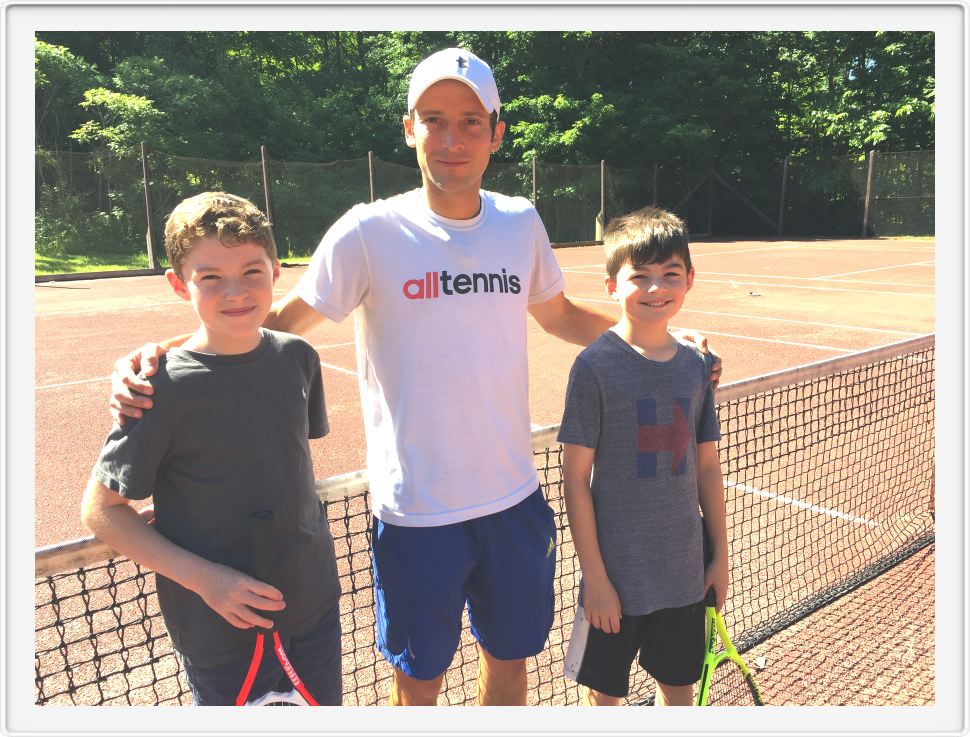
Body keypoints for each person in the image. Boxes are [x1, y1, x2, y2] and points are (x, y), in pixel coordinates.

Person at [108, 49, 721, 706]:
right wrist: (165, 354)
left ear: (496, 132)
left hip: (513, 504)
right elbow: (272, 321)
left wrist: (655, 336)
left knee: (510, 668)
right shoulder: (369, 232)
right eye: (434, 120)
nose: (452, 139)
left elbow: (561, 315)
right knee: (417, 685)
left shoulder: (519, 223)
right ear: (409, 128)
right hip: (415, 516)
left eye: (469, 122)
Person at [82, 192, 342, 706]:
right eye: (211, 278)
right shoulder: (159, 388)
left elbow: (285, 466)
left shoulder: (298, 358)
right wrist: (206, 579)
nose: (237, 292)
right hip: (220, 630)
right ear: (180, 284)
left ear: (277, 271)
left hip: (313, 610)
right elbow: (101, 511)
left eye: (252, 271)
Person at [558, 207, 729, 707]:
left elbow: (707, 467)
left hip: (684, 573)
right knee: (603, 698)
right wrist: (596, 580)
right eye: (640, 276)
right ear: (613, 285)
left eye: (670, 274)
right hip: (615, 576)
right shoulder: (594, 368)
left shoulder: (696, 367)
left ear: (689, 279)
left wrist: (720, 555)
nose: (656, 288)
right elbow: (574, 481)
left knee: (678, 690)